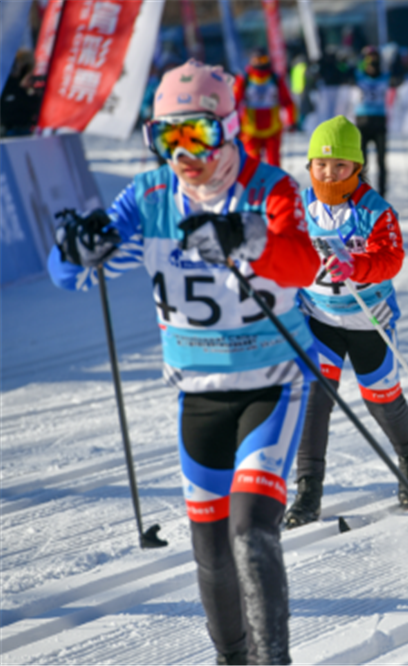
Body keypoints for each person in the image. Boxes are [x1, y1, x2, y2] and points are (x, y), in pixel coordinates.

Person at [47, 60, 319, 665]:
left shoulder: (268, 186)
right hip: (197, 391)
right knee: (212, 551)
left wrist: (248, 239)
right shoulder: (146, 198)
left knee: (250, 531)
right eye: (166, 137)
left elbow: (304, 266)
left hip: (271, 383)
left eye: (198, 134)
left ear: (230, 126)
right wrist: (75, 248)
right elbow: (71, 275)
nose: (183, 152)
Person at [284, 116, 408, 528]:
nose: (329, 173)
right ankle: (308, 491)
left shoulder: (375, 211)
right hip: (318, 317)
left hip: (368, 321)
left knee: (381, 400)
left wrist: (357, 264)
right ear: (310, 166)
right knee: (314, 400)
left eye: (340, 166)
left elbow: (392, 259)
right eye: (321, 165)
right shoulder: (299, 207)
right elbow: (284, 253)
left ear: (357, 168)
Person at [233, 50, 296, 167]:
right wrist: (234, 124)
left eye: (263, 60)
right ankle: (253, 185)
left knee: (274, 162)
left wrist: (291, 120)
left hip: (273, 129)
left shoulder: (275, 79)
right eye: (256, 60)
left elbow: (287, 102)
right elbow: (234, 104)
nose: (260, 64)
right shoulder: (244, 79)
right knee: (252, 163)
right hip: (250, 130)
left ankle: (275, 184)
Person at [354, 46, 396, 196]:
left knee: (381, 162)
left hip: (379, 122)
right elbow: (352, 68)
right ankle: (361, 193)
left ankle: (382, 193)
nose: (372, 67)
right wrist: (363, 57)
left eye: (374, 64)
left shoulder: (384, 77)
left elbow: (397, 74)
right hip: (362, 123)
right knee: (361, 163)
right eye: (369, 64)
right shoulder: (359, 76)